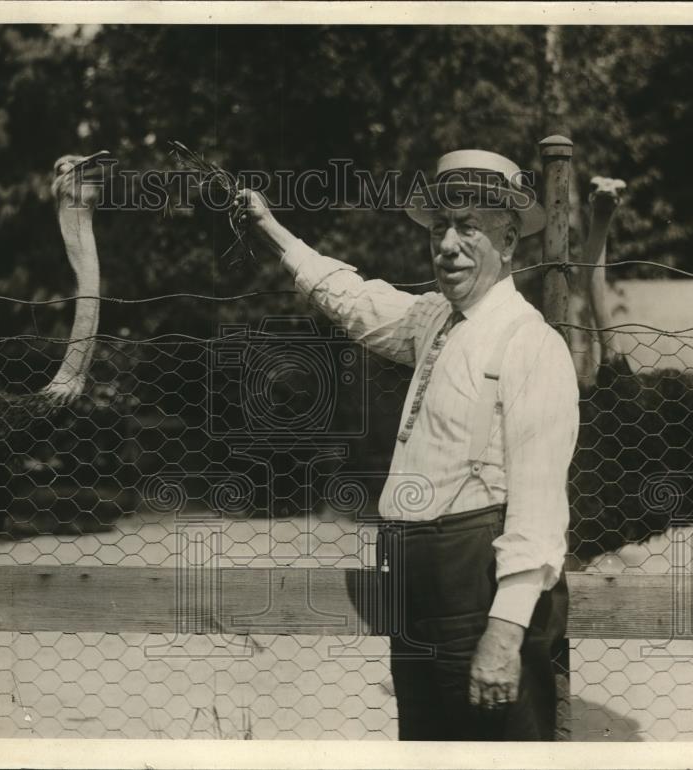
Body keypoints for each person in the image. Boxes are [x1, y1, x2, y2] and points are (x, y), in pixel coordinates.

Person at [232, 149, 580, 741]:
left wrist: (505, 630)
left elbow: (539, 508)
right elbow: (353, 298)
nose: (447, 244)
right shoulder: (432, 321)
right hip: (413, 585)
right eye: (439, 227)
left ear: (510, 242)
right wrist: (271, 231)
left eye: (468, 228)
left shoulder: (531, 345)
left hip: (477, 585)